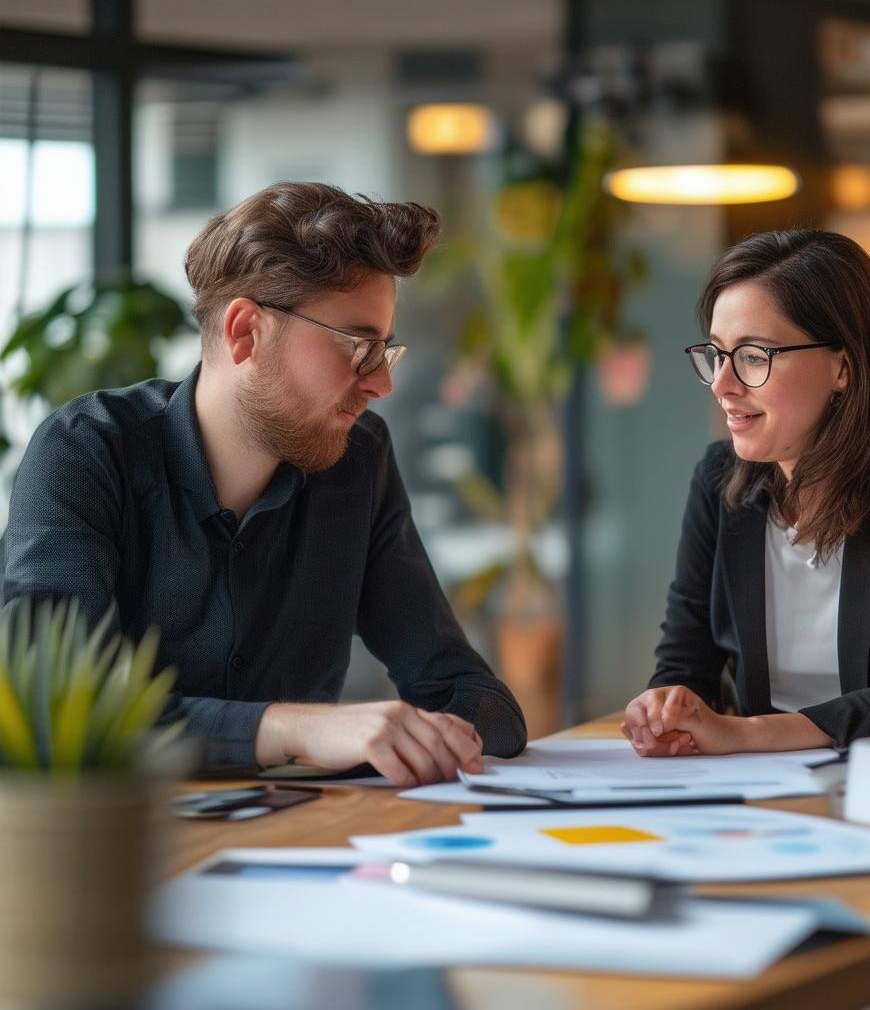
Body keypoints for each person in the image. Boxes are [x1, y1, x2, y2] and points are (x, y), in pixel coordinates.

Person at [0, 181, 526, 782]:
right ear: (245, 332)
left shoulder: (358, 459)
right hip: (117, 853)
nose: (383, 385)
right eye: (359, 348)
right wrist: (292, 730)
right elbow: (56, 711)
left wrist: (439, 731)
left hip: (298, 844)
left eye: (387, 351)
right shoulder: (85, 453)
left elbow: (472, 696)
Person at [622, 228, 870, 758]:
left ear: (843, 368)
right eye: (716, 355)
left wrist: (748, 734)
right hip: (771, 785)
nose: (722, 384)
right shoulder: (719, 479)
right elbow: (686, 665)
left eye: (754, 357)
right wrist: (666, 707)